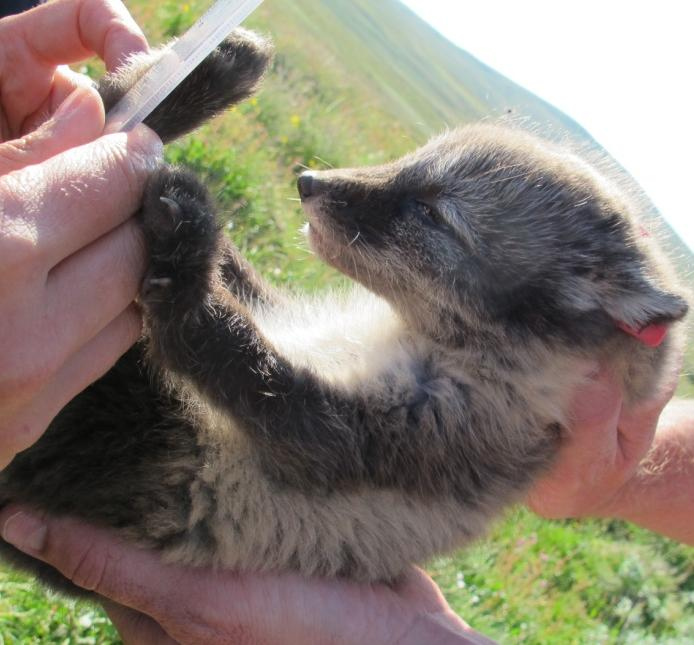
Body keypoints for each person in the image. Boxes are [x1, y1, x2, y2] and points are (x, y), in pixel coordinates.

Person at [0, 1, 691, 643]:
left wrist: (191, 303)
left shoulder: (488, 424)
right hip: (171, 427)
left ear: (567, 306)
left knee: (107, 288)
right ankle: (123, 134)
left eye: (432, 218)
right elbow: (274, 331)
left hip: (140, 488)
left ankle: (123, 139)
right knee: (107, 248)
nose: (324, 184)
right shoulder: (470, 349)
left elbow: (313, 425)